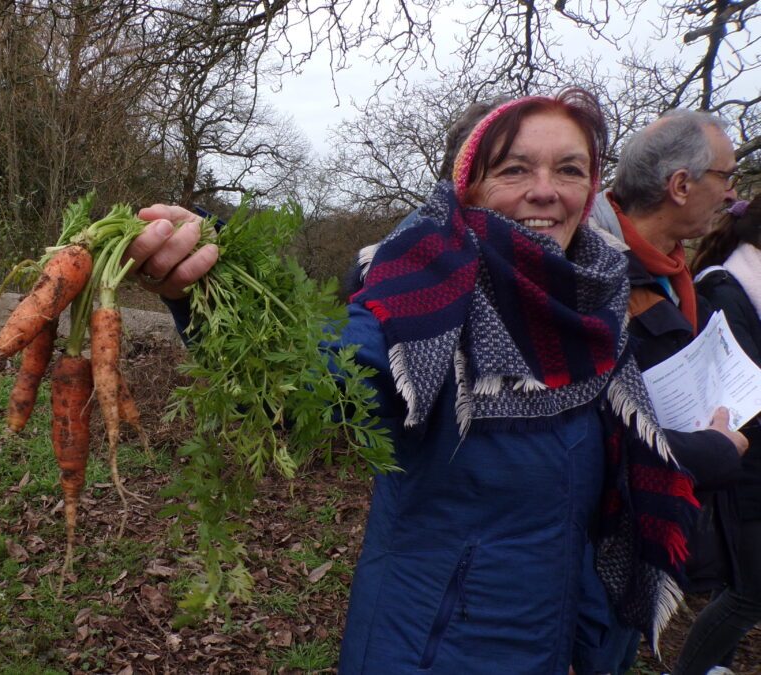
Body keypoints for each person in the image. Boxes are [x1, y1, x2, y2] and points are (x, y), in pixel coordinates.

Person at [127, 89, 700, 673]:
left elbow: (589, 501)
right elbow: (311, 377)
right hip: (430, 648)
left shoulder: (595, 308)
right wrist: (206, 283)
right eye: (514, 169)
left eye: (570, 169)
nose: (546, 189)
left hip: (551, 644)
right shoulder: (424, 298)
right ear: (467, 185)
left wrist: (589, 638)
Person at [575, 111, 748, 675]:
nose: (733, 192)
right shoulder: (591, 272)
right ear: (680, 185)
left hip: (645, 530)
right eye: (726, 176)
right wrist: (710, 451)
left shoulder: (670, 273)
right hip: (592, 551)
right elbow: (585, 427)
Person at [671, 196, 761, 675]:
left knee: (740, 586)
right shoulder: (727, 288)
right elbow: (743, 379)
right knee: (750, 594)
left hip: (744, 460)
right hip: (739, 462)